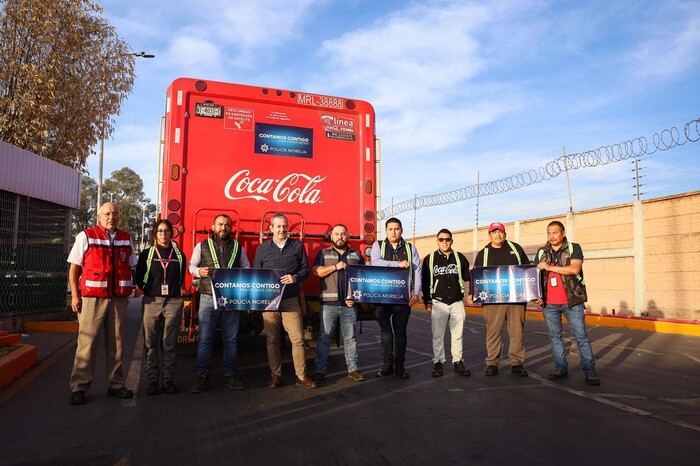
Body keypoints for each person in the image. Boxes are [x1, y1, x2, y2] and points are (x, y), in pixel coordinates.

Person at [67, 202, 137, 405]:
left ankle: (116, 384)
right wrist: (75, 296)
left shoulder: (126, 238)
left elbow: (131, 266)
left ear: (120, 216)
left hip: (118, 299)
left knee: (116, 343)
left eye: (115, 213)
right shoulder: (86, 236)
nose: (111, 217)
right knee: (87, 343)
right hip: (92, 299)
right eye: (107, 213)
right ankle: (79, 387)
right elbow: (74, 268)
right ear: (99, 216)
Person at [188, 214, 250, 393]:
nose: (224, 227)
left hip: (232, 299)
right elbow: (191, 266)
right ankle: (202, 377)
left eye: (227, 225)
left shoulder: (238, 247)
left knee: (230, 340)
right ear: (213, 227)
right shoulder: (202, 245)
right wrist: (199, 271)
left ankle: (230, 376)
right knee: (205, 340)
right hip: (208, 297)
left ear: (231, 228)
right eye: (220, 224)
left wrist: (241, 276)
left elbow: (246, 268)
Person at [254, 214, 316, 389]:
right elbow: (256, 273)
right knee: (272, 339)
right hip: (269, 301)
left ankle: (301, 376)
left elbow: (306, 270)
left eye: (284, 226)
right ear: (271, 228)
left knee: (298, 338)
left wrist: (295, 277)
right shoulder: (262, 248)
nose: (281, 229)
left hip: (290, 299)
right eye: (278, 226)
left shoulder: (297, 246)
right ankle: (276, 375)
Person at [535, 221, 600, 385]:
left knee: (581, 337)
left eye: (555, 233)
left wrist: (550, 267)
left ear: (563, 233)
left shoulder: (573, 248)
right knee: (555, 337)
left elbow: (574, 269)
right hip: (549, 303)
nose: (551, 236)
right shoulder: (542, 252)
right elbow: (535, 276)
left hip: (572, 301)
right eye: (549, 233)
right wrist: (536, 295)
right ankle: (561, 368)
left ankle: (589, 371)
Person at [468, 222, 530, 377]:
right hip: (492, 300)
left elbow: (528, 271)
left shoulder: (516, 249)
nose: (498, 235)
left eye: (500, 232)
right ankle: (492, 363)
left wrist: (533, 292)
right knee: (493, 332)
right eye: (494, 232)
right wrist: (471, 293)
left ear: (505, 233)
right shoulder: (484, 253)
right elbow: (476, 275)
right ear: (489, 235)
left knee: (517, 332)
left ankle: (517, 363)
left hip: (516, 299)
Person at [135, 219, 186, 396]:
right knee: (151, 344)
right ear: (155, 234)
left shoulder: (179, 255)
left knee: (169, 344)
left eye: (167, 231)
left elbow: (180, 278)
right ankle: (152, 381)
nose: (164, 234)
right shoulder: (147, 254)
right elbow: (139, 276)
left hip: (173, 301)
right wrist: (149, 289)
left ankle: (168, 381)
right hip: (151, 301)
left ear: (172, 233)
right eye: (160, 231)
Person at [312, 224, 365, 384]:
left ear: (347, 236)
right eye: (337, 234)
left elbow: (362, 278)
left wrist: (355, 297)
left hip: (349, 304)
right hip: (329, 304)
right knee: (324, 338)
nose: (340, 237)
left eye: (343, 234)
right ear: (331, 236)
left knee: (350, 339)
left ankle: (353, 369)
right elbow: (316, 272)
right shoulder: (323, 253)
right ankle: (320, 371)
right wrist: (335, 267)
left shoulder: (355, 254)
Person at [370, 217, 421, 379]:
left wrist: (417, 292)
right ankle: (387, 365)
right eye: (390, 229)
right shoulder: (377, 245)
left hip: (402, 298)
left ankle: (400, 366)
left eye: (397, 229)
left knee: (400, 333)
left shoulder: (410, 248)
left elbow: (417, 270)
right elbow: (375, 263)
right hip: (382, 297)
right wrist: (396, 264)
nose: (393, 231)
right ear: (385, 231)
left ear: (401, 230)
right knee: (385, 332)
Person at [421, 228, 472, 378]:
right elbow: (425, 282)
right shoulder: (430, 259)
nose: (445, 242)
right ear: (437, 241)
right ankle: (438, 363)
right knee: (438, 336)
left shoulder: (459, 258)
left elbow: (468, 277)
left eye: (447, 239)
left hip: (457, 301)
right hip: (438, 302)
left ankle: (458, 362)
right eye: (441, 239)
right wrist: (427, 302)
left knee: (457, 335)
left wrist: (470, 293)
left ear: (451, 241)